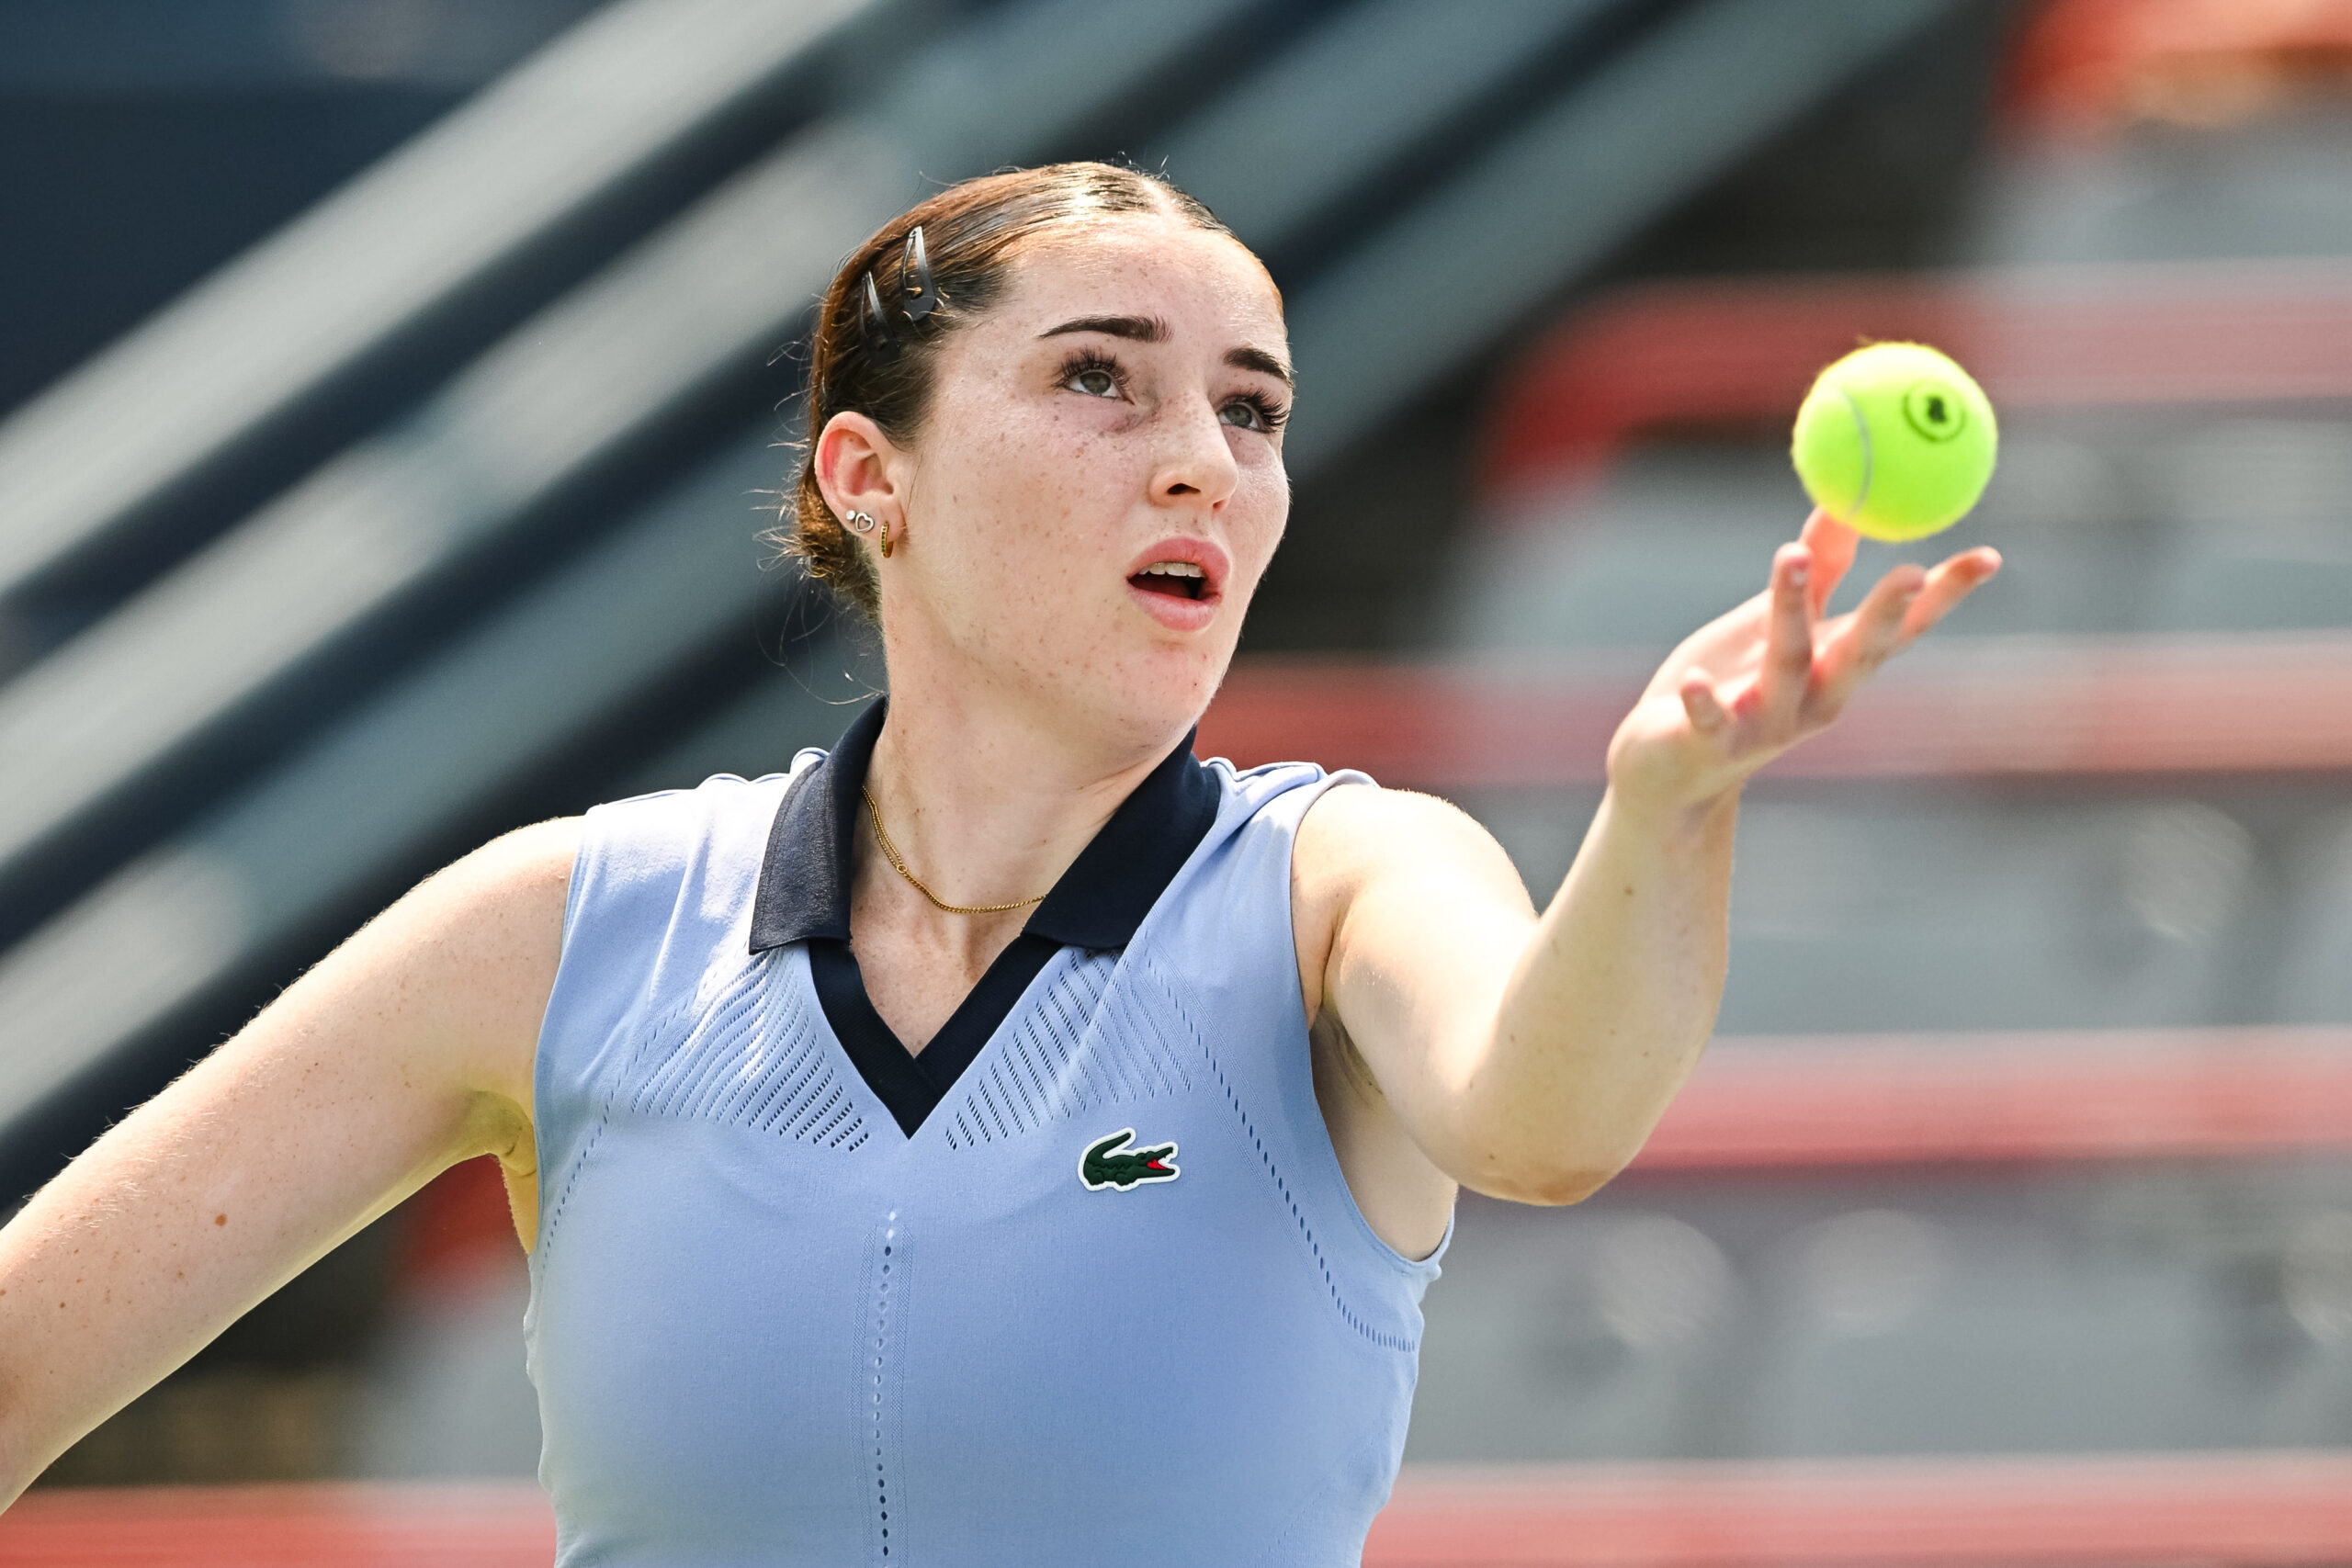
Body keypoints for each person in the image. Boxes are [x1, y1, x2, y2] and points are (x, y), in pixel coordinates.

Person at [0, 163, 1997, 1560]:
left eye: (1251, 405)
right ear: (871, 477)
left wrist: (1661, 811)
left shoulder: (1340, 884)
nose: (1202, 453)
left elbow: (1542, 1113)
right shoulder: (554, 928)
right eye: (1096, 377)